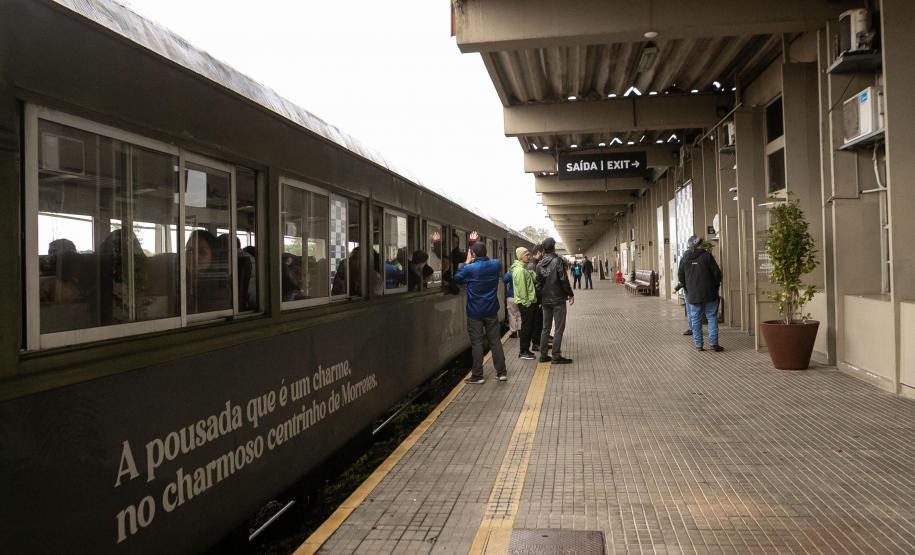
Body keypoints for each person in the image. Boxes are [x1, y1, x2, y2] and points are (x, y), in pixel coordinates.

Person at [451, 241, 507, 383]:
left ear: (473, 253)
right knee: (495, 341)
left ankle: (477, 375)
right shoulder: (495, 265)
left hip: (474, 311)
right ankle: (501, 373)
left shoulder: (469, 268)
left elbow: (456, 279)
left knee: (477, 342)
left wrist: (466, 262)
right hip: (491, 309)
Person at [677, 235, 724, 352]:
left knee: (695, 319)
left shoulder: (685, 258)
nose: (702, 245)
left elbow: (680, 276)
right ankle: (713, 343)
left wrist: (687, 287)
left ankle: (699, 345)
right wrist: (716, 286)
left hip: (693, 294)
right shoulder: (707, 256)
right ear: (697, 245)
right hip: (709, 293)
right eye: (700, 244)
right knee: (711, 317)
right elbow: (717, 273)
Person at [535, 237, 574, 364]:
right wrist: (570, 294)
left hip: (545, 301)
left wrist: (542, 298)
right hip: (558, 300)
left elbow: (538, 284)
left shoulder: (539, 264)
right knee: (558, 328)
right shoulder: (557, 261)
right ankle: (556, 355)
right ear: (553, 247)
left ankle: (543, 355)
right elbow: (563, 279)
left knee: (545, 328)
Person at [511, 247, 537, 360]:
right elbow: (522, 290)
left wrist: (530, 271)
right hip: (526, 304)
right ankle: (523, 351)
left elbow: (535, 279)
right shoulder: (520, 271)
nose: (529, 256)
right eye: (526, 255)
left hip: (527, 303)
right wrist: (527, 303)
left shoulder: (524, 269)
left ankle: (526, 350)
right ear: (521, 256)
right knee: (526, 328)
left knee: (528, 327)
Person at [527, 243, 546, 352]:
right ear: (539, 252)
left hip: (537, 298)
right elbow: (536, 284)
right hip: (536, 299)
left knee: (539, 321)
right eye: (542, 253)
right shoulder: (533, 266)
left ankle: (538, 341)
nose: (543, 255)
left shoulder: (533, 264)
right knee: (537, 322)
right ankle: (536, 343)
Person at [503, 267, 521, 338]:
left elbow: (504, 280)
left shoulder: (511, 273)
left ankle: (514, 332)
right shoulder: (522, 271)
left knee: (512, 315)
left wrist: (508, 272)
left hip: (511, 297)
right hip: (520, 297)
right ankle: (520, 331)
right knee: (520, 315)